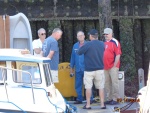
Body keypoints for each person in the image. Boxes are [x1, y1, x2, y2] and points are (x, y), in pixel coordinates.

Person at [78, 29, 106, 109]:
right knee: (101, 87)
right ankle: (102, 104)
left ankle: (88, 105)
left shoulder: (88, 44)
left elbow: (79, 52)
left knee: (88, 87)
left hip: (89, 70)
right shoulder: (102, 44)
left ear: (90, 36)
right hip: (100, 68)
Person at [70, 31, 94, 104]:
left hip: (87, 68)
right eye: (78, 36)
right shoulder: (75, 46)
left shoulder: (88, 45)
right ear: (77, 37)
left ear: (84, 36)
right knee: (78, 84)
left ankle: (90, 98)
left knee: (88, 84)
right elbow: (73, 57)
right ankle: (79, 98)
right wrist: (71, 68)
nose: (80, 37)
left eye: (81, 35)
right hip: (78, 69)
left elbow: (92, 57)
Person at [103, 28, 122, 105]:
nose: (106, 35)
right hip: (105, 66)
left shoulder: (115, 42)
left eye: (107, 34)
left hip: (113, 66)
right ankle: (109, 98)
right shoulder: (103, 42)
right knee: (106, 83)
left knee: (114, 82)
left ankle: (116, 98)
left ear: (111, 34)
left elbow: (118, 54)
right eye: (105, 34)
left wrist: (115, 65)